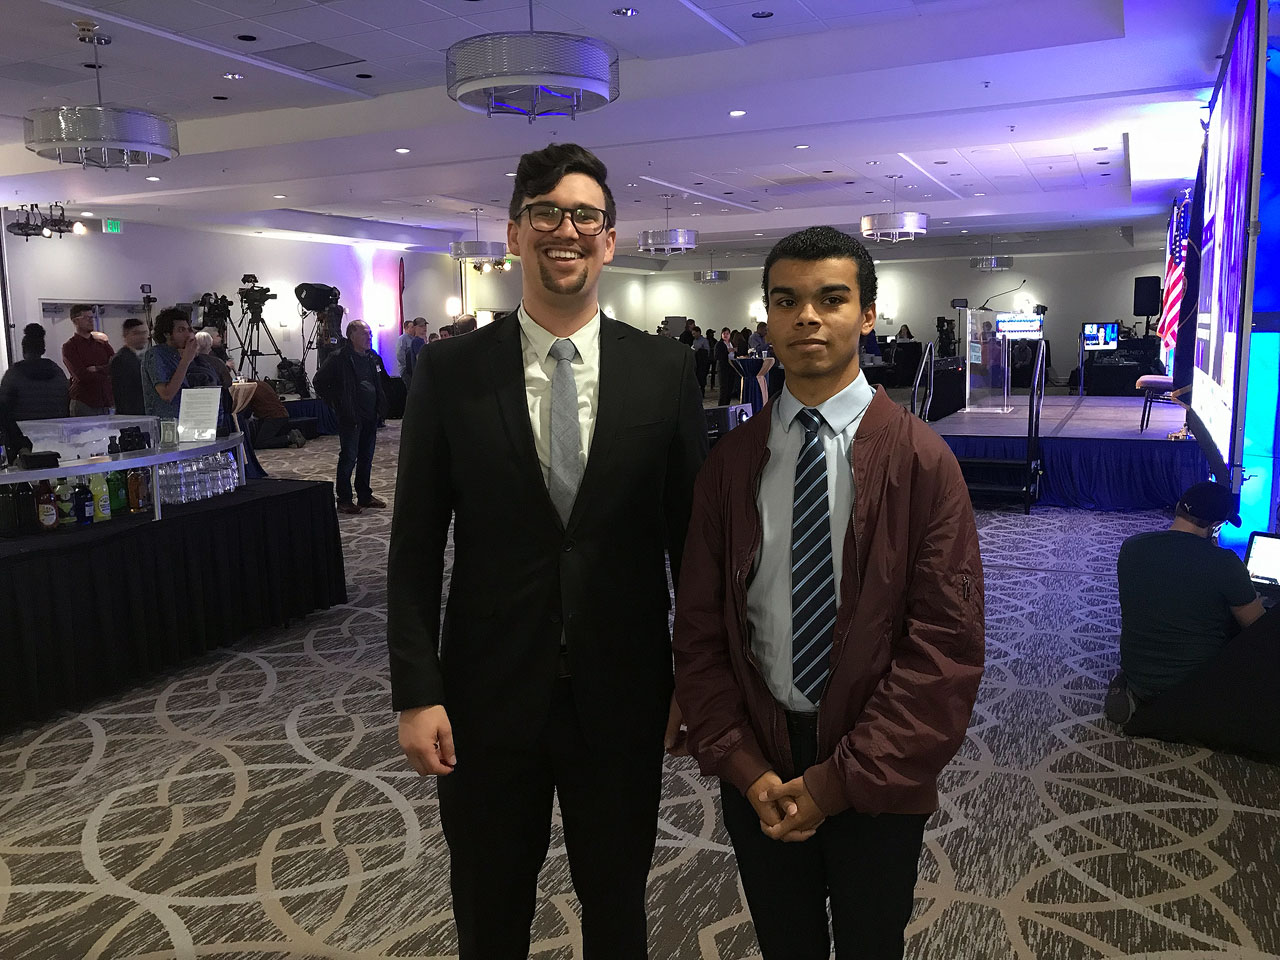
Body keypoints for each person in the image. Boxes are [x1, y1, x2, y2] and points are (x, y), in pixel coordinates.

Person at [387, 142, 707, 960]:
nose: (566, 230)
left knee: (617, 904)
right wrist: (416, 692)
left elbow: (692, 545)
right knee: (489, 907)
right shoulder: (451, 371)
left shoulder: (665, 370)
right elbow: (415, 544)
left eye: (585, 217)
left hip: (625, 690)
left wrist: (696, 679)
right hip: (486, 694)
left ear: (610, 239)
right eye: (546, 214)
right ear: (514, 233)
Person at [673, 225, 985, 960]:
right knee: (785, 943)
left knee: (872, 943)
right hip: (760, 758)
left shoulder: (922, 461)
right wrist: (743, 766)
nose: (806, 317)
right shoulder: (732, 463)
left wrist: (839, 784)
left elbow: (945, 648)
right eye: (786, 301)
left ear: (867, 315)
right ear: (767, 317)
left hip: (879, 759)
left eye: (831, 299)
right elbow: (699, 630)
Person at [1107, 482, 1277, 756]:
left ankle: (1133, 692)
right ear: (1216, 526)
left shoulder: (1132, 547)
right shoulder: (1224, 563)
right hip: (1196, 686)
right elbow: (1256, 629)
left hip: (1140, 674)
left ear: (1178, 507)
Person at [314, 319, 386, 514]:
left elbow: (380, 382)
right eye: (365, 333)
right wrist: (337, 402)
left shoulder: (372, 357)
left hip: (370, 416)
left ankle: (364, 495)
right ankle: (344, 499)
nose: (369, 337)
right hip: (351, 416)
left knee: (366, 458)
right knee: (348, 458)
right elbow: (319, 382)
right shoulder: (339, 358)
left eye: (370, 333)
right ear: (352, 335)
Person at [0, 324, 70, 421]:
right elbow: (65, 401)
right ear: (43, 349)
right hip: (55, 426)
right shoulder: (56, 370)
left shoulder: (14, 374)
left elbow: (4, 407)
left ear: (24, 350)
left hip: (23, 427)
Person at [142, 307, 200, 420]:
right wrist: (186, 361)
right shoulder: (156, 354)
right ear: (167, 334)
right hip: (164, 423)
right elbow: (166, 395)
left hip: (184, 420)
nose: (187, 334)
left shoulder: (179, 355)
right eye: (181, 330)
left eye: (188, 329)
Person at [62, 304, 115, 416]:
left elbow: (115, 365)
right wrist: (106, 374)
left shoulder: (101, 344)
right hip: (85, 402)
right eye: (87, 318)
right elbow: (81, 375)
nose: (91, 321)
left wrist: (97, 369)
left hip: (105, 401)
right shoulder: (70, 347)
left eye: (92, 317)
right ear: (76, 321)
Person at [245, 380, 305, 449]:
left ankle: (289, 438)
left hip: (273, 417)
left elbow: (247, 413)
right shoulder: (262, 384)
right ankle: (293, 435)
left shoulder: (250, 390)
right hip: (281, 414)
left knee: (260, 443)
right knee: (266, 437)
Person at [108, 318, 149, 415]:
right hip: (131, 414)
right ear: (125, 335)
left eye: (144, 333)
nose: (142, 337)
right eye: (136, 333)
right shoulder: (121, 359)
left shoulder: (138, 357)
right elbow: (123, 394)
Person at [396, 317, 423, 389]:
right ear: (406, 328)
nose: (414, 329)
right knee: (410, 388)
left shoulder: (414, 339)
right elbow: (400, 354)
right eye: (412, 327)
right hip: (406, 370)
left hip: (413, 370)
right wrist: (407, 366)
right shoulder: (403, 339)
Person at [716, 327, 739, 405]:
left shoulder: (732, 343)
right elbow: (717, 356)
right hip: (723, 368)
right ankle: (721, 406)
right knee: (724, 389)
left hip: (732, 367)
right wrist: (727, 351)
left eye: (727, 334)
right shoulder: (719, 344)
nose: (725, 335)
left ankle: (727, 405)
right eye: (724, 333)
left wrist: (736, 351)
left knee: (730, 388)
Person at [691, 325, 711, 393]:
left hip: (702, 362)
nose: (693, 335)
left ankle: (702, 391)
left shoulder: (704, 341)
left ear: (698, 332)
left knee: (702, 377)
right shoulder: (694, 341)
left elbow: (707, 351)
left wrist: (699, 350)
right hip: (696, 361)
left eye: (694, 333)